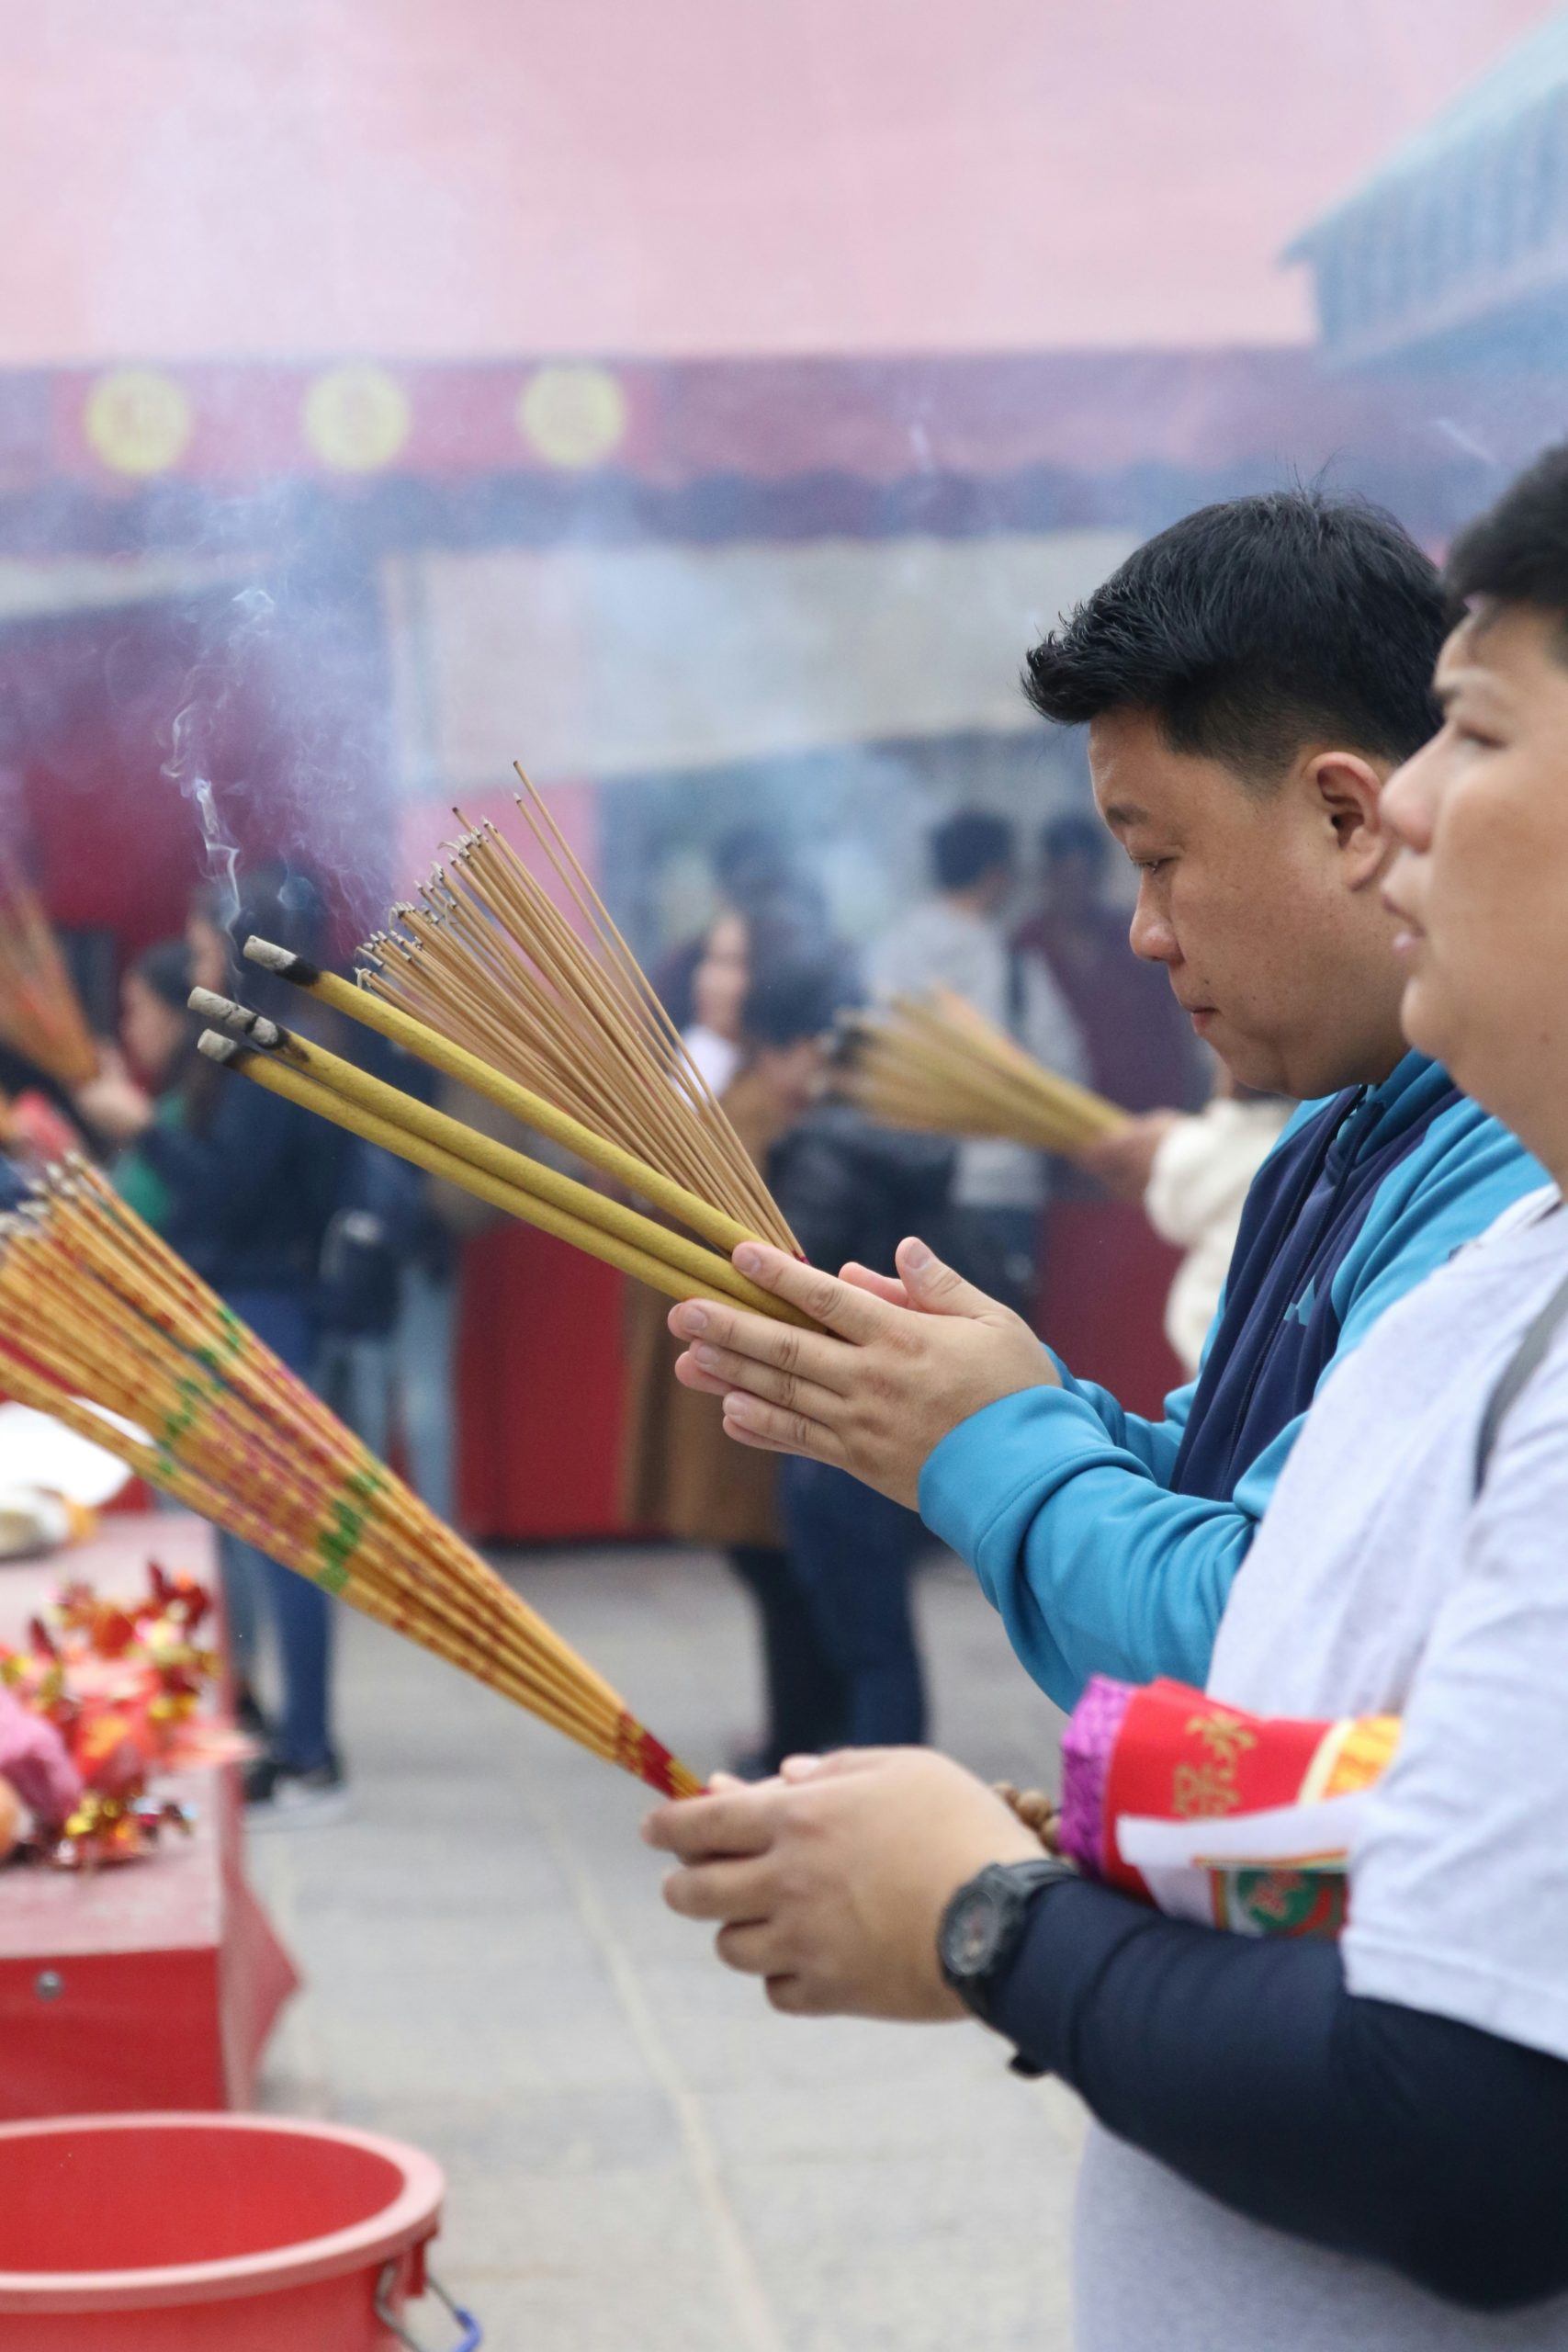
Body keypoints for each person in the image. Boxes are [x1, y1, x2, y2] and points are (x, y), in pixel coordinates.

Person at [647, 446, 1568, 2344]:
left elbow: (1466, 2120)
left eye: (1466, 735)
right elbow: (1330, 1630)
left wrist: (987, 1914)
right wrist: (995, 1414)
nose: (1400, 815)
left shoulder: (1481, 1196)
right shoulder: (1482, 1249)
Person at [661, 488, 1544, 1713]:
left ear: (1342, 812)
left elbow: (1267, 1653)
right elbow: (1224, 1488)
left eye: (1158, 859)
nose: (1141, 932)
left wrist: (991, 1445)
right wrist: (980, 1401)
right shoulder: (1334, 1126)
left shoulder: (1513, 1161)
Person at [80, 870, 349, 1821]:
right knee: (240, 1534)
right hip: (230, 1301)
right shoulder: (234, 1053)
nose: (194, 972)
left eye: (201, 955)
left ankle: (312, 1752)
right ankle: (270, 1726)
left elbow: (221, 1190)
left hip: (264, 1305)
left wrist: (137, 1129)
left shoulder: (277, 1060)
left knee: (288, 1535)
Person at [619, 948, 849, 1771]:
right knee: (761, 1552)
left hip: (760, 1339)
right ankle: (802, 1720)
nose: (716, 977)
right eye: (712, 959)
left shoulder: (780, 1094)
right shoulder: (709, 1065)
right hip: (709, 1332)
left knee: (779, 1549)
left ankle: (809, 1728)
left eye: (735, 960)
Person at [770, 1027, 955, 1747]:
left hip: (833, 1393)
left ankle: (889, 1781)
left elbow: (788, 1274)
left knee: (860, 1627)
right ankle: (894, 1770)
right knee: (883, 1624)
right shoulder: (916, 1154)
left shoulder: (823, 1154)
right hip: (906, 1392)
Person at [870, 808, 1086, 1317]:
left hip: (899, 1185)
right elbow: (1067, 1072)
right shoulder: (1013, 966)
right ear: (995, 873)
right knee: (999, 1338)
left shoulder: (886, 959)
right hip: (999, 1189)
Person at [1084, 1079, 1293, 1375]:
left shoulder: (1206, 1151)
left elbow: (1181, 1173)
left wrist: (1168, 1143)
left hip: (1227, 1374)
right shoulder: (1322, 1139)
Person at [1015, 809, 1207, 1114]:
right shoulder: (1026, 948)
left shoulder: (1132, 938)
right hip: (1069, 1120)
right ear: (1048, 874)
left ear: (1098, 875)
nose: (1075, 892)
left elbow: (1176, 1020)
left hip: (1156, 1108)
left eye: (1084, 879)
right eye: (1066, 878)